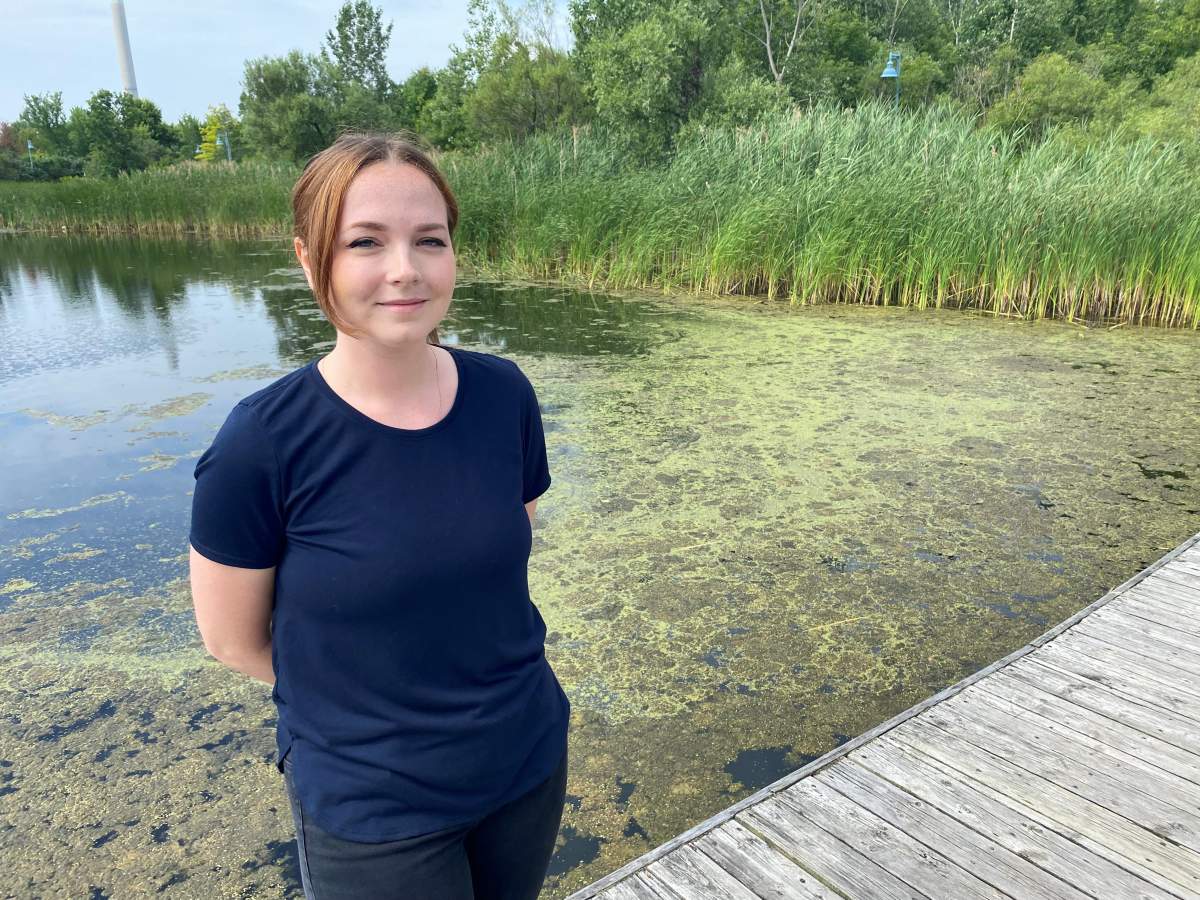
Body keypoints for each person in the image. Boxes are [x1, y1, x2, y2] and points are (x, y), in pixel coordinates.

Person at [188, 132, 570, 900]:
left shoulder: (504, 395)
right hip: (375, 808)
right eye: (365, 241)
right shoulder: (261, 444)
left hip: (525, 763)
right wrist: (376, 706)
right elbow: (232, 640)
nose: (406, 268)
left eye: (429, 240)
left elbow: (507, 541)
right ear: (309, 260)